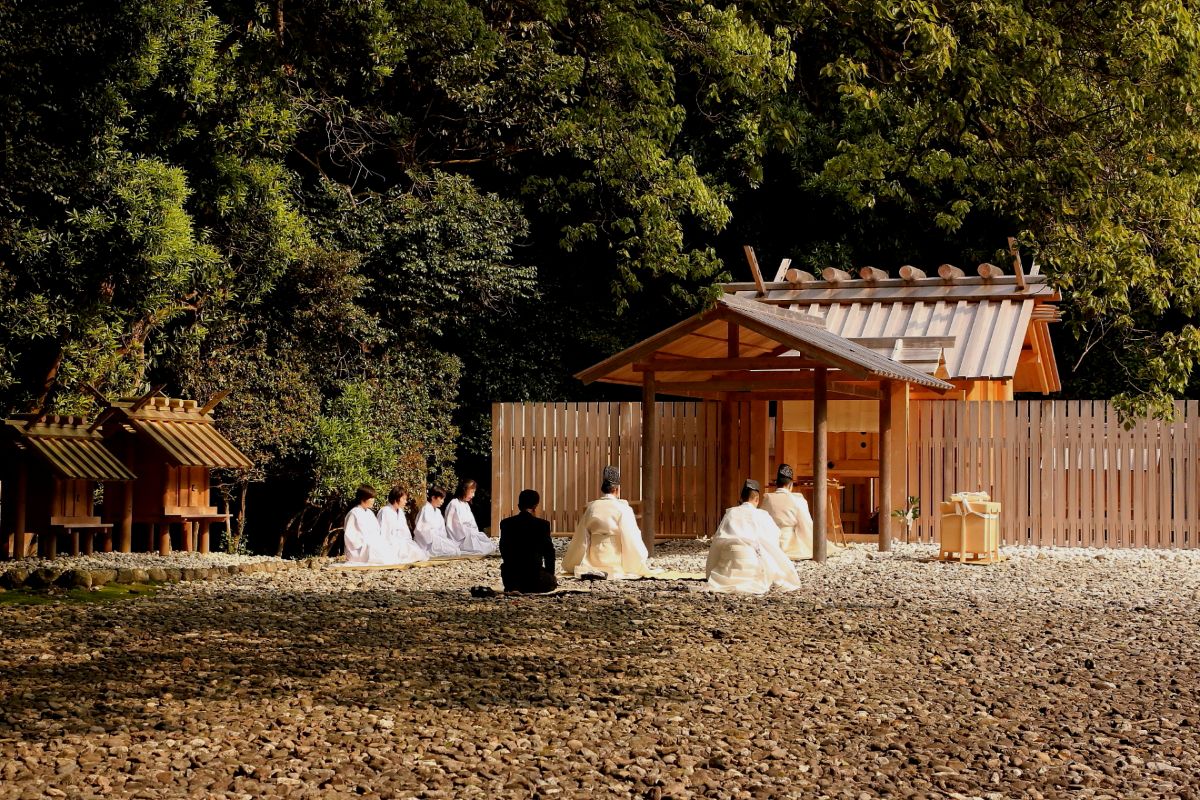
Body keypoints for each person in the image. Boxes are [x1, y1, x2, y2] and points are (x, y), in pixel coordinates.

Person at [706, 479, 802, 594]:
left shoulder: (731, 513)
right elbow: (773, 540)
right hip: (750, 564)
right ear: (757, 499)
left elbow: (718, 541)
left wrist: (710, 569)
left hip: (728, 565)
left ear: (741, 498)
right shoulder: (762, 515)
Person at [562, 465, 654, 579]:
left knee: (591, 564)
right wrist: (637, 560)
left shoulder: (592, 507)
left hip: (593, 558)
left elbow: (581, 537)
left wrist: (574, 560)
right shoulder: (623, 508)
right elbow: (630, 537)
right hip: (614, 558)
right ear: (617, 489)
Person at [498, 489, 558, 593]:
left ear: (519, 506)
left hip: (511, 581)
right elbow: (549, 553)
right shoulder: (542, 525)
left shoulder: (506, 523)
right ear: (535, 506)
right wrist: (550, 574)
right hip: (536, 580)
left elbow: (503, 549)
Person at [759, 463, 814, 560]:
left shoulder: (768, 498)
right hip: (790, 543)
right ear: (790, 484)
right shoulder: (797, 499)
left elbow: (761, 522)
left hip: (770, 543)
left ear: (776, 483)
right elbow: (806, 525)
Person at [445, 479, 498, 555]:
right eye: (472, 492)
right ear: (464, 490)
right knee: (479, 548)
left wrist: (474, 532)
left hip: (470, 533)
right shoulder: (454, 504)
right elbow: (451, 525)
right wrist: (466, 534)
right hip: (460, 537)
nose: (473, 495)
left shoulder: (466, 504)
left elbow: (472, 522)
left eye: (474, 492)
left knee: (487, 544)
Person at [376, 486, 428, 564]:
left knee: (417, 553)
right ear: (396, 498)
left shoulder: (400, 512)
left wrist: (406, 540)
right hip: (390, 542)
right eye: (403, 499)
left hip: (401, 540)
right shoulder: (385, 511)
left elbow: (405, 530)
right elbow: (384, 532)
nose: (405, 501)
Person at [343, 484, 388, 564]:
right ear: (363, 498)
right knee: (378, 552)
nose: (373, 500)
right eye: (371, 498)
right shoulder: (353, 513)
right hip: (358, 550)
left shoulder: (370, 513)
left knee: (386, 547)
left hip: (371, 544)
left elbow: (377, 531)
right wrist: (366, 542)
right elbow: (350, 536)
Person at [414, 487, 461, 557]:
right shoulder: (426, 509)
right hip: (428, 543)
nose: (443, 501)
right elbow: (422, 530)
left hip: (437, 539)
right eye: (441, 498)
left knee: (456, 549)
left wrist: (442, 539)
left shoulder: (438, 511)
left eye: (443, 499)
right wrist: (434, 540)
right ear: (433, 498)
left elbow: (442, 529)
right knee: (452, 551)